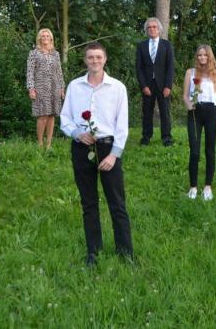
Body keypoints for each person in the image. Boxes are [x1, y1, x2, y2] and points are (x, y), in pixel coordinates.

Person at [60, 42, 133, 267]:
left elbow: (122, 125)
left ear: (105, 59)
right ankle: (93, 251)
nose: (94, 61)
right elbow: (65, 118)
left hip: (108, 148)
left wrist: (114, 155)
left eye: (98, 57)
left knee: (117, 202)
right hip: (82, 148)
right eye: (90, 57)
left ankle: (125, 252)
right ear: (85, 60)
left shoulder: (117, 87)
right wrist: (76, 133)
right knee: (89, 202)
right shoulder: (74, 86)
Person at [182, 45, 216, 201]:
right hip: (195, 113)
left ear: (209, 57)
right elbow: (185, 96)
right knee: (194, 150)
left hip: (212, 113)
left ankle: (208, 186)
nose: (201, 58)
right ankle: (193, 187)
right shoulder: (190, 73)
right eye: (199, 55)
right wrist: (188, 104)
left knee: (210, 150)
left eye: (204, 55)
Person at [135, 17, 175, 146]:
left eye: (154, 27)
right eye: (149, 27)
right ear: (146, 30)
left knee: (165, 112)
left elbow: (170, 67)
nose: (151, 29)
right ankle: (146, 136)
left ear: (159, 30)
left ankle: (167, 137)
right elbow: (139, 67)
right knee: (147, 112)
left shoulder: (166, 45)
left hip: (163, 84)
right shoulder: (141, 46)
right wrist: (143, 85)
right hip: (147, 84)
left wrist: (168, 86)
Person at [26, 28, 65, 150]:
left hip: (54, 87)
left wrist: (62, 88)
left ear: (51, 38)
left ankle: (49, 144)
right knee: (42, 116)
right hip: (40, 88)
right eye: (43, 36)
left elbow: (59, 72)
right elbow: (30, 72)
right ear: (39, 38)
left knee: (52, 115)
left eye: (48, 36)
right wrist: (31, 88)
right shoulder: (34, 53)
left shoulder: (55, 54)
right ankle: (40, 144)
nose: (45, 38)